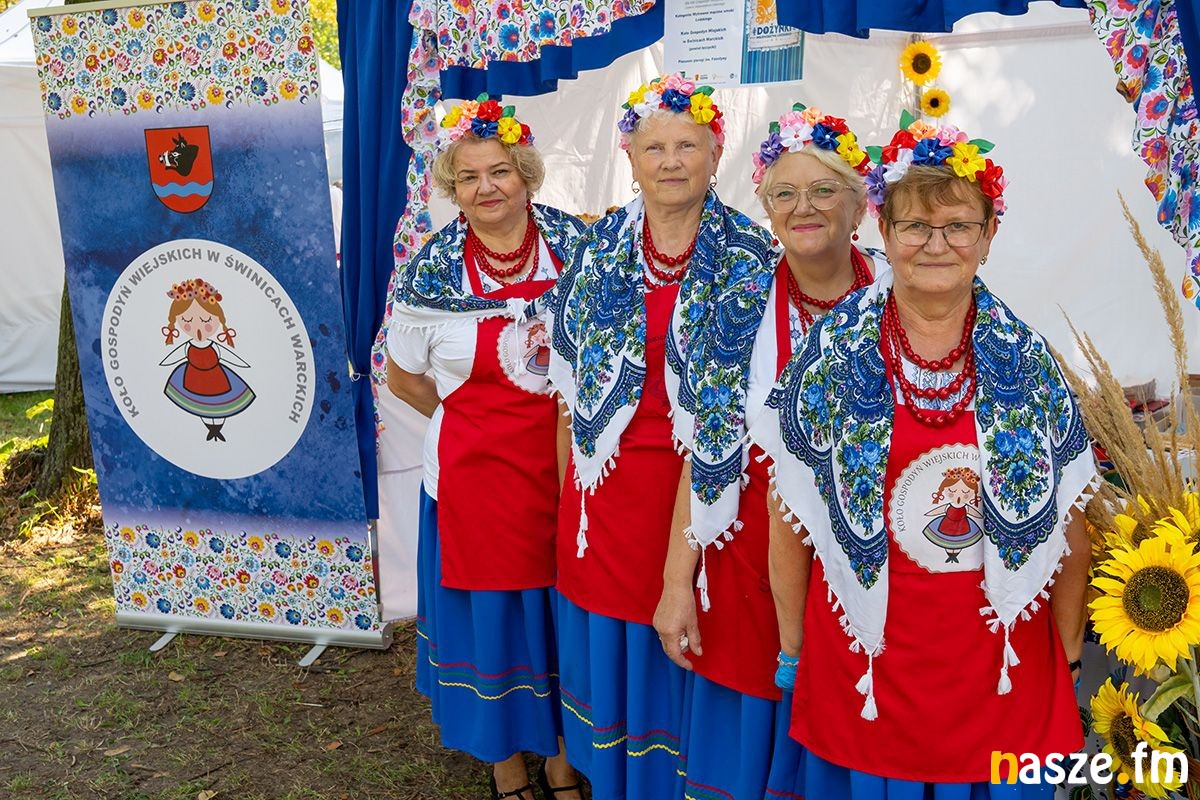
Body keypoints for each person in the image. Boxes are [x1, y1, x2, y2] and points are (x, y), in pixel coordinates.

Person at [753, 118, 1096, 796]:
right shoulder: (833, 355)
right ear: (884, 232)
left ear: (988, 237)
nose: (936, 245)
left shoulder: (1027, 359)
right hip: (868, 660)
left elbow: (1069, 528)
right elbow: (789, 511)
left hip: (998, 668)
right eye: (915, 226)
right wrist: (794, 649)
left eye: (958, 226)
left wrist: (1066, 655)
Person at [546, 74, 774, 800]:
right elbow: (568, 396)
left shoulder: (752, 259)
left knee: (682, 644)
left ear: (716, 153)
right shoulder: (596, 250)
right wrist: (568, 504)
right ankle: (610, 779)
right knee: (609, 657)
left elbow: (739, 417)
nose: (671, 161)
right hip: (603, 501)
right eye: (654, 148)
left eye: (687, 145)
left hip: (699, 497)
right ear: (630, 157)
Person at [652, 104, 884, 800]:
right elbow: (701, 450)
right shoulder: (736, 305)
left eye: (823, 191)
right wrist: (676, 584)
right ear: (769, 209)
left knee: (850, 722)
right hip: (746, 551)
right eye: (785, 193)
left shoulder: (901, 296)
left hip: (866, 559)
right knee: (751, 726)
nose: (802, 207)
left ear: (859, 207)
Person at [384, 95, 586, 800]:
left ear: (525, 174)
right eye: (468, 177)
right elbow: (403, 378)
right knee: (494, 625)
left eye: (499, 171)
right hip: (474, 482)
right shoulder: (432, 270)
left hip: (567, 468)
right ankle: (506, 762)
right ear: (452, 188)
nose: (486, 188)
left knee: (561, 617)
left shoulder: (578, 248)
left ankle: (562, 756)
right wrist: (470, 423)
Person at [159, 277, 254, 441]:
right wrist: (164, 362)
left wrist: (243, 364)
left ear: (218, 319)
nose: (197, 328)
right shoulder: (187, 346)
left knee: (222, 406)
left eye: (205, 320)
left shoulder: (214, 346)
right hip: (193, 379)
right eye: (187, 321)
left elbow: (229, 356)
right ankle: (212, 429)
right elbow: (173, 356)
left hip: (217, 379)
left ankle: (217, 428)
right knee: (200, 407)